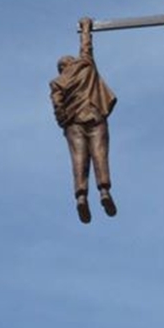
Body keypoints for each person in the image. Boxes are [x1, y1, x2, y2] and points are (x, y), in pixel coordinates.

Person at [50, 17, 117, 224]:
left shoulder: (58, 83)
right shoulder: (85, 65)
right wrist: (86, 27)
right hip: (95, 117)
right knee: (100, 154)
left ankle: (81, 196)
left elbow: (57, 105)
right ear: (73, 62)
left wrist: (63, 120)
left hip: (74, 124)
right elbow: (86, 46)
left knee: (79, 159)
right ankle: (104, 191)